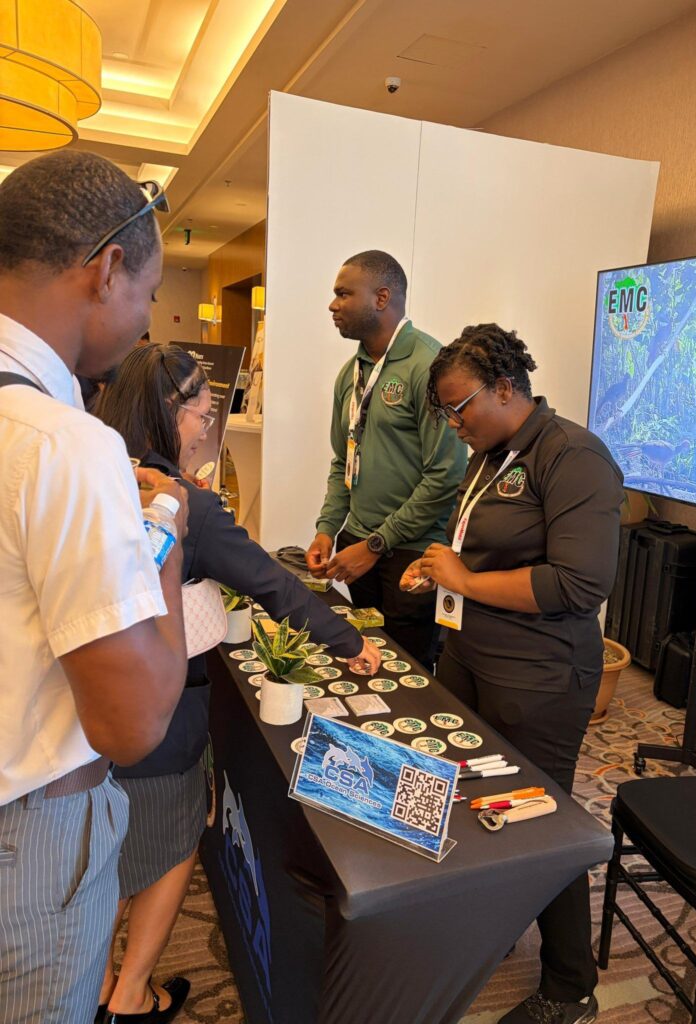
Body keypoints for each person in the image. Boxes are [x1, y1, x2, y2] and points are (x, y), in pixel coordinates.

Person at [94, 343, 381, 1023]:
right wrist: (350, 642)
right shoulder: (184, 504)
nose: (205, 430)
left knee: (105, 852)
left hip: (91, 706)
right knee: (169, 846)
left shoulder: (94, 477)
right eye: (202, 415)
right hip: (163, 712)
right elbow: (274, 584)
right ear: (173, 413)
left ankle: (97, 984)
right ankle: (131, 997)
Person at [0, 152, 189, 1024]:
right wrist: (169, 537)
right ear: (108, 268)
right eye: (148, 294)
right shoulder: (65, 444)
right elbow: (134, 723)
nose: (145, 320)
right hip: (29, 838)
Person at [401, 323, 624, 1024]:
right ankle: (496, 924)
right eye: (445, 411)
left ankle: (570, 986)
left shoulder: (574, 456)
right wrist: (439, 570)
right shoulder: (490, 456)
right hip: (471, 655)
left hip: (541, 674)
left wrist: (464, 581)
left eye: (458, 406)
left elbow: (577, 585)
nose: (452, 423)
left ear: (505, 388)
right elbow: (482, 550)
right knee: (476, 798)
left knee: (539, 817)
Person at [306, 250, 466, 668]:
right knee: (363, 660)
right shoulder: (351, 372)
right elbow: (343, 461)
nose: (333, 305)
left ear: (381, 298)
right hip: (358, 548)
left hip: (409, 554)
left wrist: (377, 544)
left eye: (344, 294)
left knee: (408, 671)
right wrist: (327, 530)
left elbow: (446, 476)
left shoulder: (430, 367)